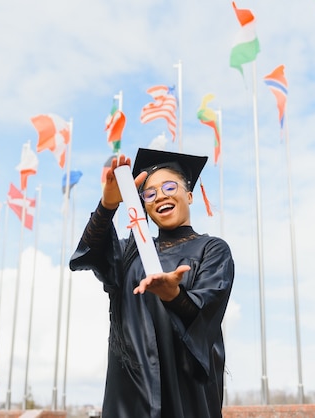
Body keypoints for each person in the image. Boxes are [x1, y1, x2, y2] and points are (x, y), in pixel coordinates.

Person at [70, 148, 235, 418]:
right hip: (132, 388)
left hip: (185, 385)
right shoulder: (130, 253)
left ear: (189, 195)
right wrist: (108, 205)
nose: (160, 196)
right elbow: (90, 250)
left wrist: (174, 295)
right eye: (150, 193)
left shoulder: (212, 250)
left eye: (170, 186)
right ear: (143, 204)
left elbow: (205, 312)